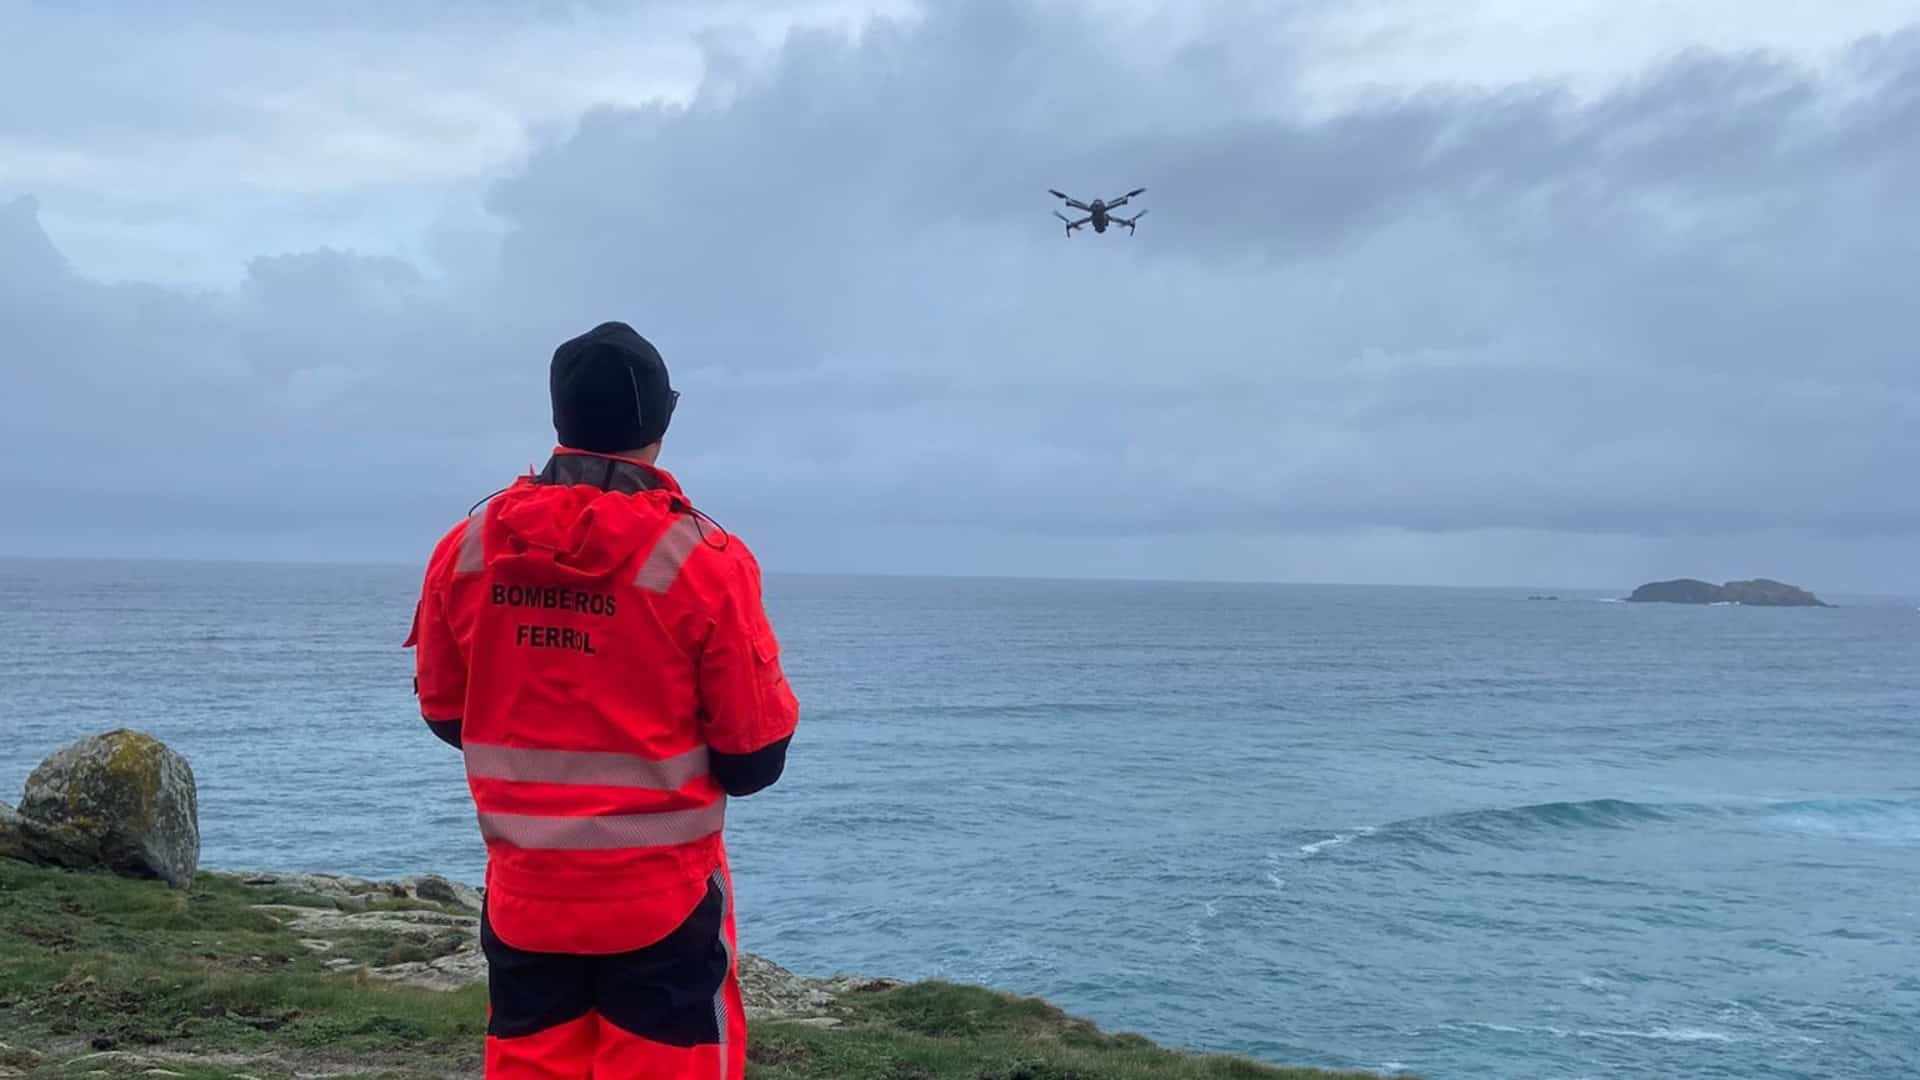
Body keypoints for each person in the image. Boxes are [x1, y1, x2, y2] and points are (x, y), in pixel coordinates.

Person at [405, 320, 800, 1079]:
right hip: (665, 905)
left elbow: (446, 715)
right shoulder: (704, 560)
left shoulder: (468, 546)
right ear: (660, 423)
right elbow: (753, 759)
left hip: (525, 896)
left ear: (560, 421)